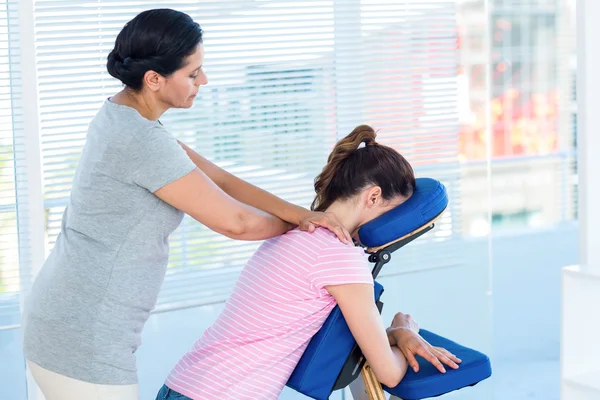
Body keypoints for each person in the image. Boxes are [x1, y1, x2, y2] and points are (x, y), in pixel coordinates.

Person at [22, 9, 352, 400]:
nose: (204, 81)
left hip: (66, 319)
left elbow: (222, 180)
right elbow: (237, 223)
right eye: (193, 74)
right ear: (154, 79)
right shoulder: (141, 141)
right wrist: (305, 229)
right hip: (84, 336)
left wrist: (301, 213)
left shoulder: (124, 117)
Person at [156, 125, 461, 400]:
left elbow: (308, 328)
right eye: (393, 212)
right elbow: (390, 373)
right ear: (373, 196)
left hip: (180, 385)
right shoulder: (343, 258)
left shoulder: (292, 231)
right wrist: (403, 327)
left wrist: (395, 336)